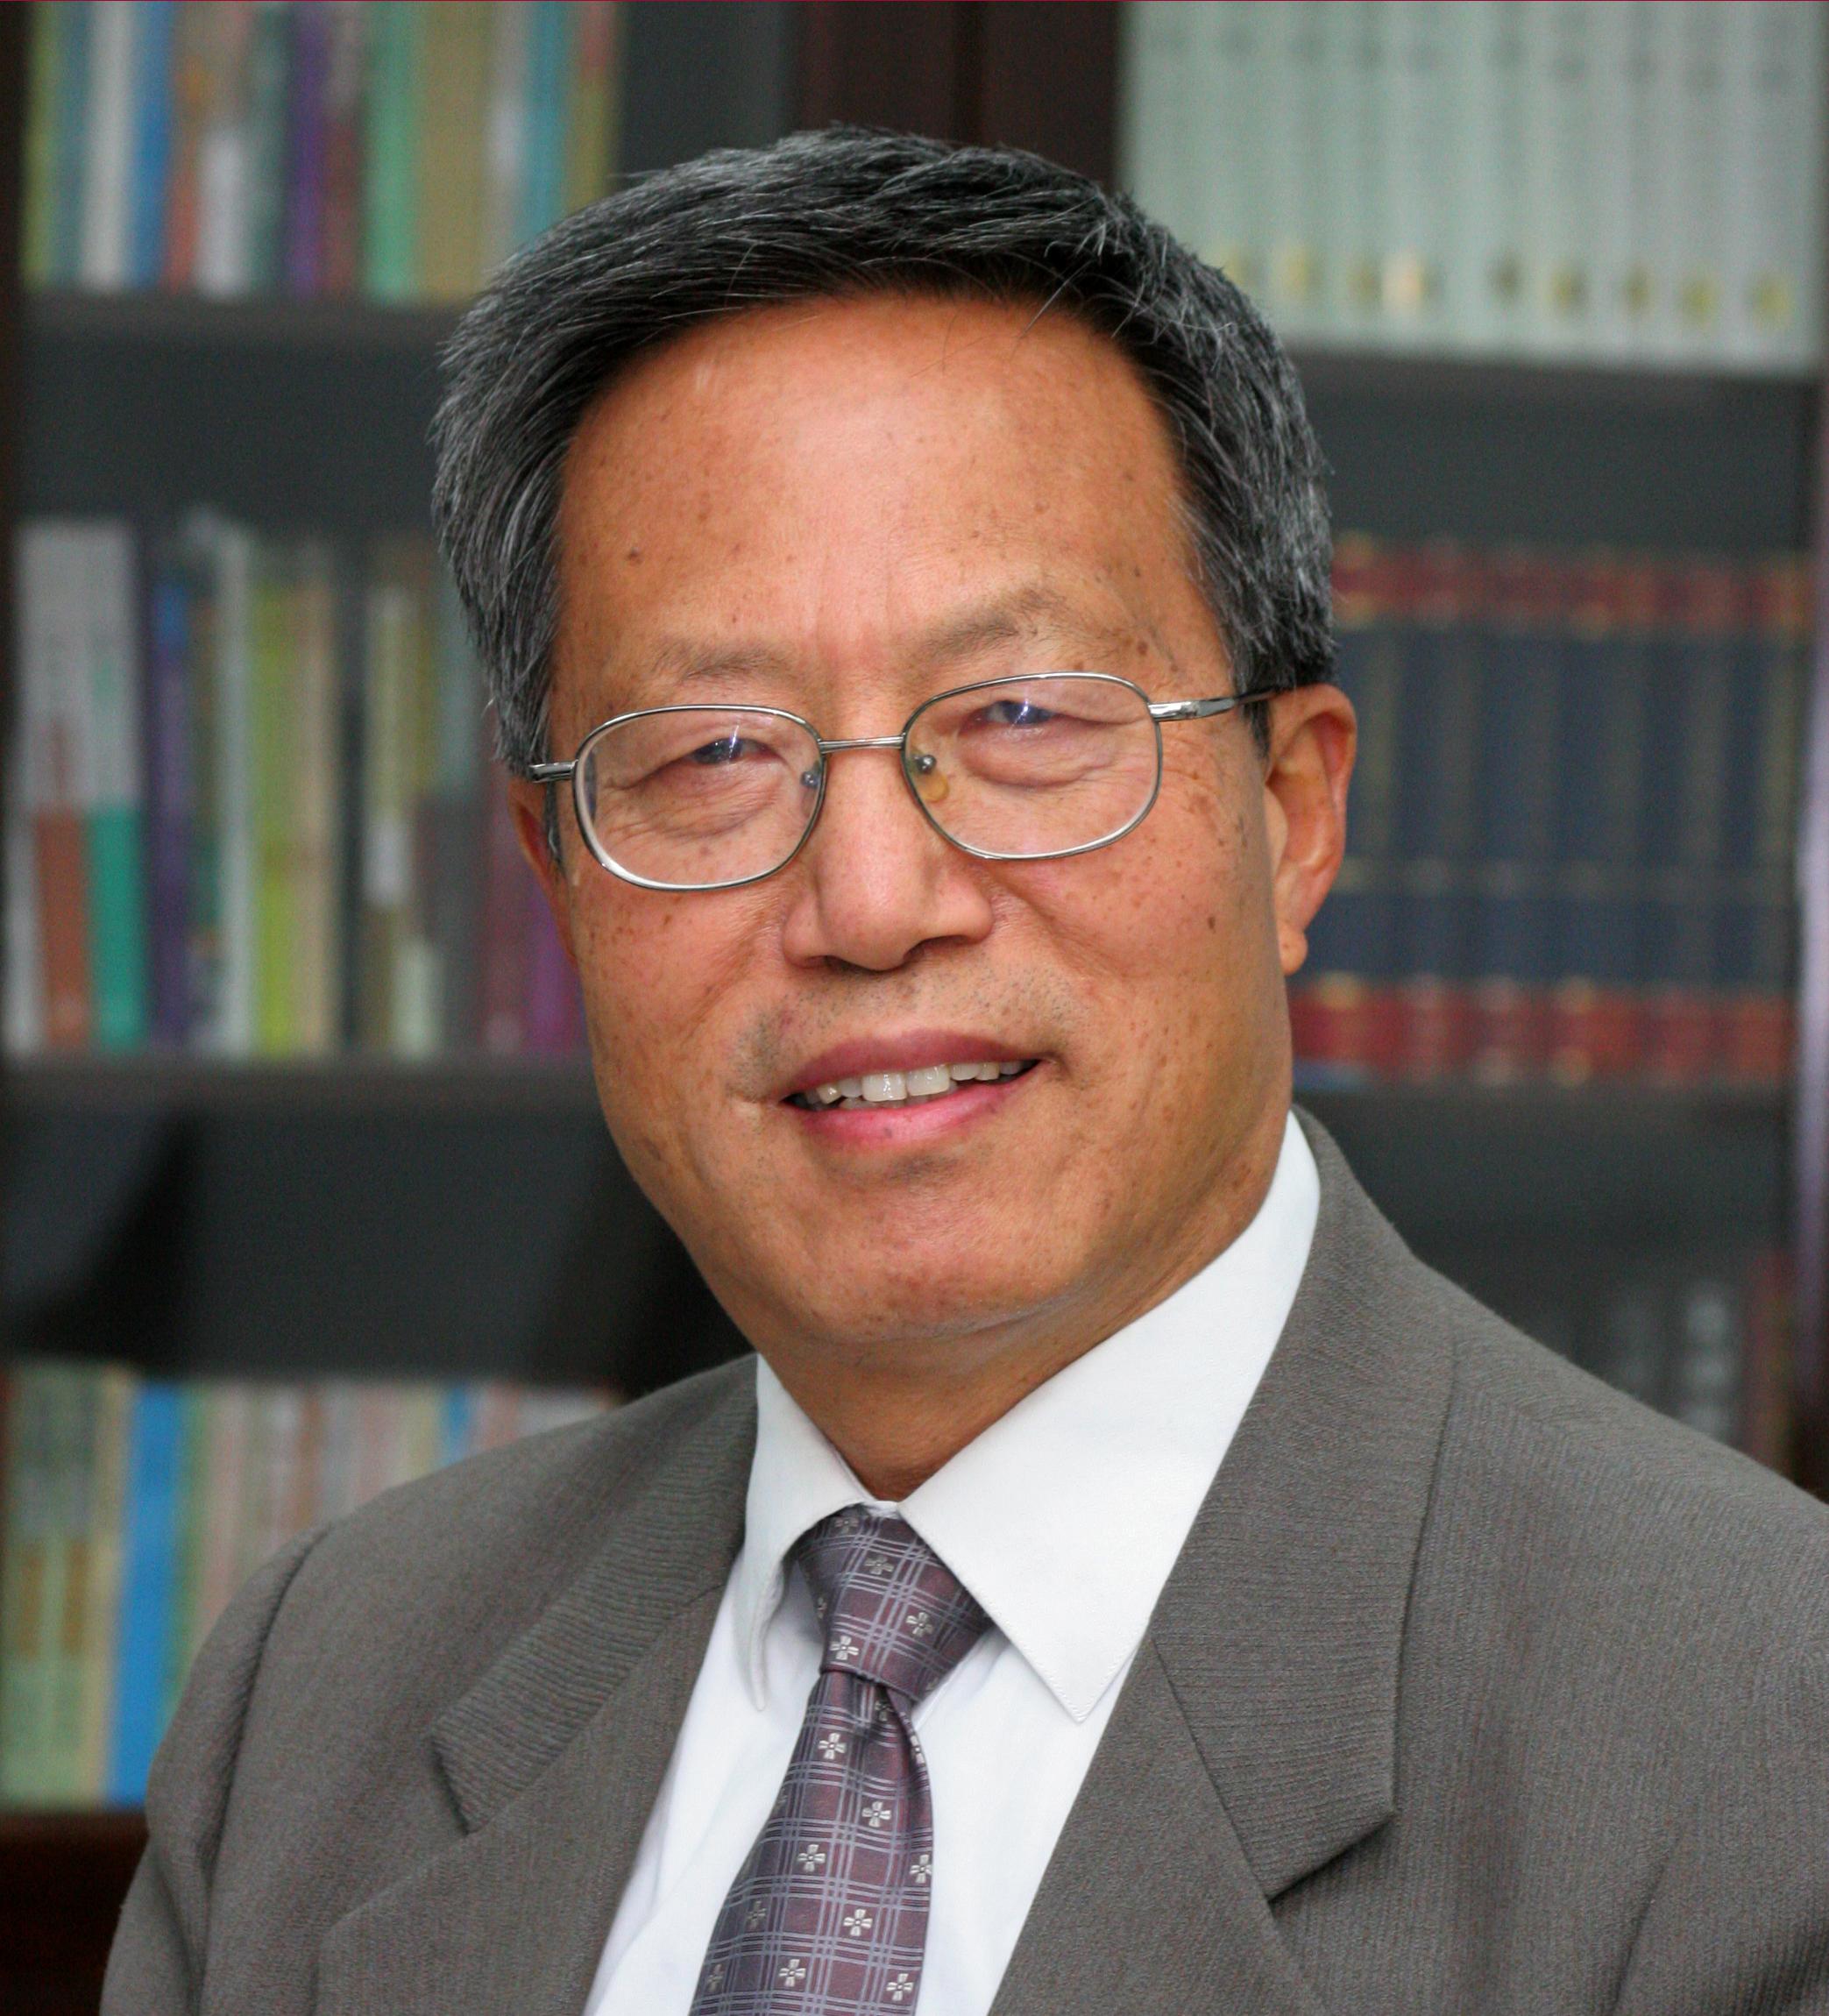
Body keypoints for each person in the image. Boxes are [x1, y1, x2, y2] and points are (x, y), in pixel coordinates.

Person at [105, 131, 1829, 2016]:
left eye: (1018, 717)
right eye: (712, 755)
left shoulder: (1759, 1734)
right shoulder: (323, 1690)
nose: (870, 901)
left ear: (1293, 815)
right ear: (559, 881)